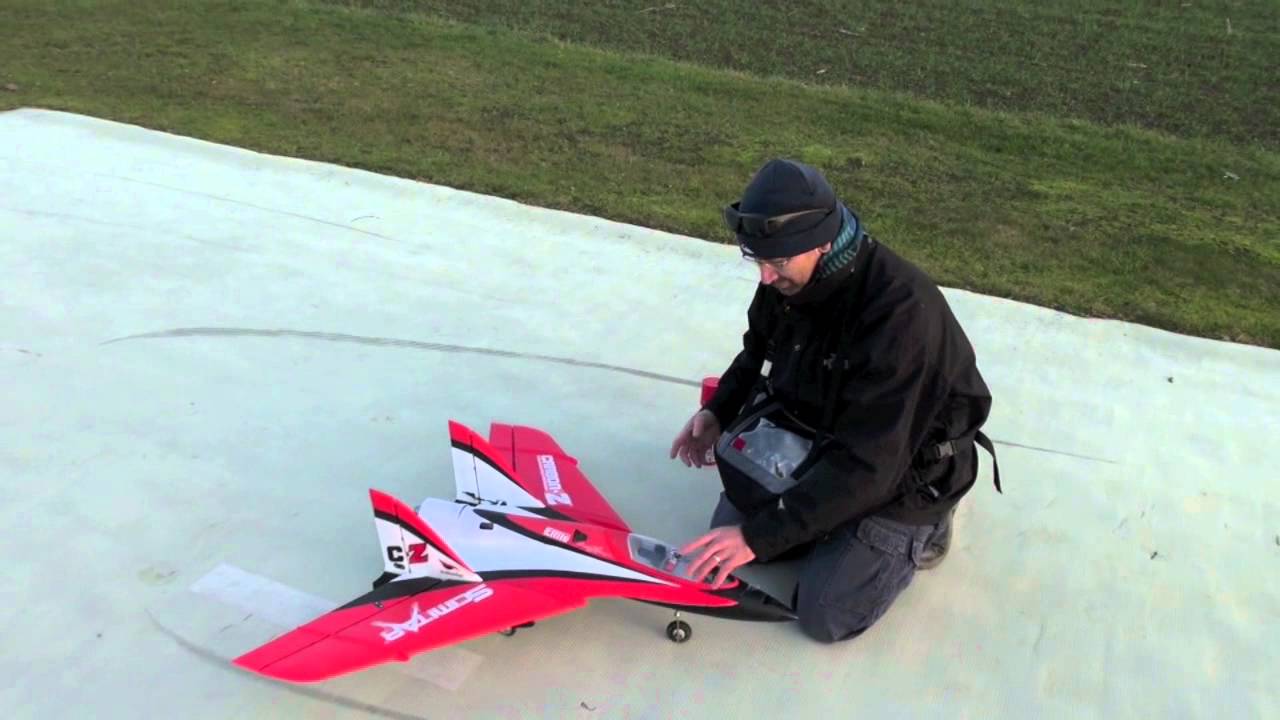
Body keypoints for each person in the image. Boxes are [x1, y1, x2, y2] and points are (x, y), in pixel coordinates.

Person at [669, 158, 1000, 643]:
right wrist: (718, 410)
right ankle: (826, 522)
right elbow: (758, 351)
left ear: (822, 243)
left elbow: (872, 463)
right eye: (756, 260)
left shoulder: (901, 315)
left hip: (903, 466)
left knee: (825, 612)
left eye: (777, 263)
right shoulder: (787, 279)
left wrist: (760, 535)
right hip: (822, 432)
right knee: (729, 532)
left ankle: (928, 526)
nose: (765, 277)